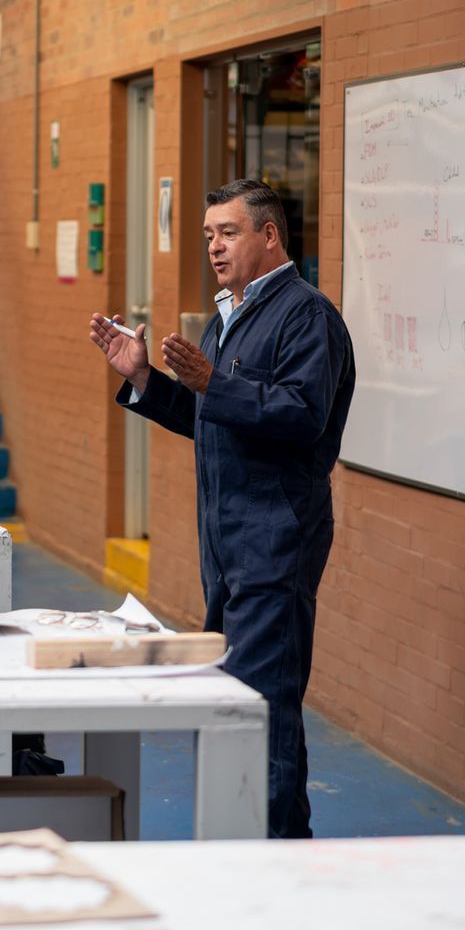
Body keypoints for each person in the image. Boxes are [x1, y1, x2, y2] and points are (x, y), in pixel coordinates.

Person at [89, 179, 355, 839]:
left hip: (276, 541)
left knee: (258, 712)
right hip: (229, 547)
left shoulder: (305, 317)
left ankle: (264, 862)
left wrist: (215, 382)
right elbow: (216, 417)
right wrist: (146, 381)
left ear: (270, 236)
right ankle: (282, 851)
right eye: (208, 234)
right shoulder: (227, 316)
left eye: (228, 232)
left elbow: (302, 414)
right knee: (242, 705)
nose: (214, 246)